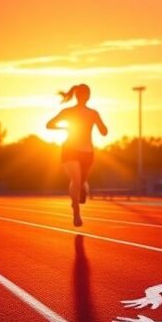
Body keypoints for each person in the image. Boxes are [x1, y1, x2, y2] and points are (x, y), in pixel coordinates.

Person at [46, 84, 108, 226]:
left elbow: (104, 131)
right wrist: (65, 127)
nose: (84, 97)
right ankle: (76, 213)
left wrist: (102, 126)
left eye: (87, 94)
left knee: (81, 182)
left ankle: (81, 192)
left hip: (88, 152)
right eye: (82, 94)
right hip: (70, 150)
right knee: (76, 179)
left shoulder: (93, 113)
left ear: (89, 96)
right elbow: (49, 125)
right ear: (77, 96)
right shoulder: (68, 111)